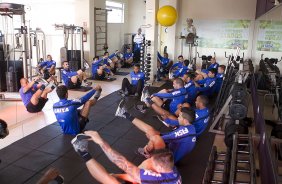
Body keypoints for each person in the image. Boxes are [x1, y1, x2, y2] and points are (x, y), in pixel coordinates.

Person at [72, 131, 182, 183]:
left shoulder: (158, 178)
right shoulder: (172, 170)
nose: (150, 161)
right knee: (140, 170)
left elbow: (122, 163)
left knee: (111, 182)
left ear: (160, 169)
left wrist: (101, 142)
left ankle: (82, 152)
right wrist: (117, 175)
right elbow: (137, 176)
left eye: (154, 163)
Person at [116, 101, 196, 163]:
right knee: (152, 131)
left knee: (152, 134)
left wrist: (152, 138)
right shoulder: (190, 127)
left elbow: (160, 138)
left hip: (169, 159)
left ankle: (146, 152)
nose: (178, 118)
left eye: (180, 116)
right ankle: (124, 114)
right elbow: (172, 129)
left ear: (185, 120)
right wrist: (166, 120)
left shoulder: (184, 131)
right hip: (173, 149)